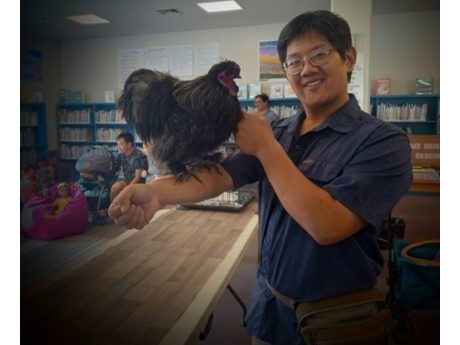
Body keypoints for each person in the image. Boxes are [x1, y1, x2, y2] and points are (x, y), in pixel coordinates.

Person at [109, 10, 412, 345]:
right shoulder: (278, 130)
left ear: (349, 58)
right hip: (270, 310)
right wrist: (156, 193)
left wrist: (267, 148)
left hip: (335, 320)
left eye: (319, 54)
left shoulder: (384, 142)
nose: (306, 69)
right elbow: (218, 176)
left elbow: (327, 225)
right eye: (294, 62)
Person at [110, 132, 149, 201]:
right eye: (118, 144)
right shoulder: (121, 155)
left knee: (123, 193)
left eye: (121, 144)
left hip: (138, 184)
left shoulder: (139, 156)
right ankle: (113, 208)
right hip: (127, 181)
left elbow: (138, 178)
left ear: (129, 145)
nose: (118, 147)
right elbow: (114, 168)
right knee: (115, 187)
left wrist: (126, 190)